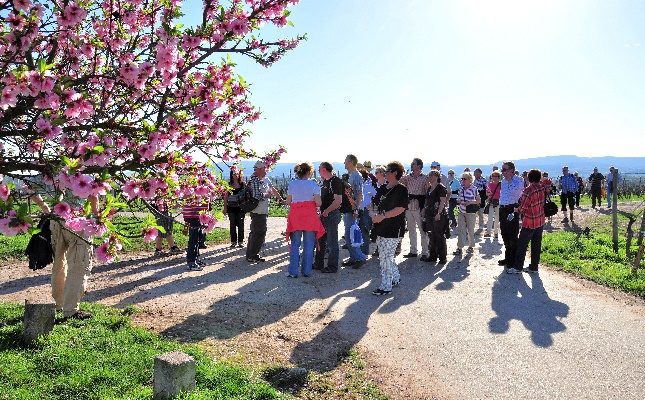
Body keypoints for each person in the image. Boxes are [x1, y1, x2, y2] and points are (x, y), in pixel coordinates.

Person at [31, 193, 99, 319]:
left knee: (59, 264)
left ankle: (59, 304)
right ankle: (70, 310)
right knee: (78, 265)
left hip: (56, 220)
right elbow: (93, 197)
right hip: (78, 222)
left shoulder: (53, 173)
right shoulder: (85, 173)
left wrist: (44, 207)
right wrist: (96, 215)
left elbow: (32, 190)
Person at [370, 161, 408, 295]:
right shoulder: (383, 188)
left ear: (395, 173)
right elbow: (374, 203)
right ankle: (396, 278)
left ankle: (386, 286)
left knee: (385, 257)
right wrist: (373, 214)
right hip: (380, 226)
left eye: (387, 170)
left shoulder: (401, 189)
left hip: (393, 227)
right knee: (386, 255)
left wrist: (383, 216)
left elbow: (400, 208)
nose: (385, 172)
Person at [507, 169, 552, 274]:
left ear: (529, 178)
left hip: (529, 221)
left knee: (522, 245)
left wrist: (516, 210)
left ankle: (518, 267)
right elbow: (548, 182)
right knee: (536, 245)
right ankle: (534, 267)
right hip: (540, 220)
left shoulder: (528, 190)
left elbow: (523, 208)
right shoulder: (542, 187)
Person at [285, 162, 325, 278]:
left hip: (296, 216)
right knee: (309, 244)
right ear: (309, 172)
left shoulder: (292, 184)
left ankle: (293, 271)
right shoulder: (313, 184)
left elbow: (288, 201)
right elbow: (318, 202)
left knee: (295, 244)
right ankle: (306, 271)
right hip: (310, 217)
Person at [315, 162, 343, 273]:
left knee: (332, 242)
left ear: (325, 169)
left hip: (331, 215)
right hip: (324, 215)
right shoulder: (325, 182)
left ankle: (332, 266)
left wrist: (327, 210)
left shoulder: (335, 181)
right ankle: (318, 263)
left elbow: (338, 200)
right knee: (320, 241)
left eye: (319, 168)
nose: (318, 171)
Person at [399, 158, 429, 260]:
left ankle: (425, 252)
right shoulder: (407, 177)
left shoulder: (425, 178)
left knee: (422, 230)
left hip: (419, 207)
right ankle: (413, 251)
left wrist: (425, 208)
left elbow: (427, 194)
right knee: (411, 229)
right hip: (409, 206)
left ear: (419, 166)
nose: (412, 165)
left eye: (414, 164)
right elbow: (399, 183)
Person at [497, 161, 526, 269]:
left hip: (512, 208)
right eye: (502, 170)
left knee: (513, 235)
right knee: (505, 234)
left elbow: (514, 193)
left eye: (504, 170)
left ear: (511, 170)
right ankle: (508, 257)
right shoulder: (503, 181)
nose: (502, 172)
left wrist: (509, 179)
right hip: (503, 208)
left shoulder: (519, 180)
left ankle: (514, 260)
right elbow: (503, 195)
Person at [341, 154, 367, 268]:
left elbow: (360, 193)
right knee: (349, 235)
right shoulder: (351, 175)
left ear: (351, 162)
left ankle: (360, 257)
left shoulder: (357, 176)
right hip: (349, 208)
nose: (344, 163)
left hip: (353, 209)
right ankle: (353, 257)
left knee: (350, 234)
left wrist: (356, 209)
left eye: (346, 161)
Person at [246, 160, 272, 263]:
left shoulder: (255, 179)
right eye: (264, 169)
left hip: (258, 210)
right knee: (259, 232)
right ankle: (253, 255)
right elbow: (256, 195)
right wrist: (266, 195)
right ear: (260, 169)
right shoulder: (256, 179)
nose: (266, 171)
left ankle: (251, 254)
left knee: (255, 232)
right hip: (259, 211)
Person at [423, 169, 449, 264]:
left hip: (438, 213)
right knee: (431, 234)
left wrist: (439, 213)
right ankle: (433, 255)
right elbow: (427, 200)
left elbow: (443, 201)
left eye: (432, 175)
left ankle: (442, 257)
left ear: (437, 177)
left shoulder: (441, 187)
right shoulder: (430, 188)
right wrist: (424, 209)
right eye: (429, 175)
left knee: (439, 235)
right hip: (429, 213)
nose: (430, 177)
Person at [453, 171, 480, 256]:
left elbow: (478, 201)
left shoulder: (474, 189)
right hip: (461, 211)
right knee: (460, 229)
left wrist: (470, 202)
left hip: (470, 212)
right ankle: (460, 247)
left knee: (470, 230)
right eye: (462, 178)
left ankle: (471, 246)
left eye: (464, 179)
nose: (463, 180)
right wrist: (459, 201)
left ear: (469, 179)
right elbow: (459, 199)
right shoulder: (461, 189)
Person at [223, 169, 247, 248]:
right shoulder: (229, 185)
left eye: (236, 174)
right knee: (232, 224)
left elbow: (248, 194)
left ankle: (240, 241)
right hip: (231, 207)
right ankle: (233, 241)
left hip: (241, 208)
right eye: (233, 174)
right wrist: (225, 208)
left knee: (241, 224)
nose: (235, 175)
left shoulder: (243, 184)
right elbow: (226, 197)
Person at [183, 199, 209, 270]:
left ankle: (196, 259)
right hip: (192, 215)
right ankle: (191, 262)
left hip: (200, 215)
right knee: (193, 240)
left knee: (198, 239)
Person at [359, 169, 377, 257]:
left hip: (366, 211)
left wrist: (371, 205)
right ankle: (362, 251)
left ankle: (364, 252)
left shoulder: (368, 185)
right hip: (360, 210)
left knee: (365, 231)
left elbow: (376, 195)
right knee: (361, 231)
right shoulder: (361, 185)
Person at [485, 170, 502, 238]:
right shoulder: (490, 184)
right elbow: (487, 193)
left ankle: (496, 232)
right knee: (490, 218)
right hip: (491, 201)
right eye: (493, 176)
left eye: (495, 176)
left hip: (498, 202)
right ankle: (488, 232)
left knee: (497, 218)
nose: (494, 178)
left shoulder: (501, 184)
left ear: (498, 177)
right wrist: (490, 194)